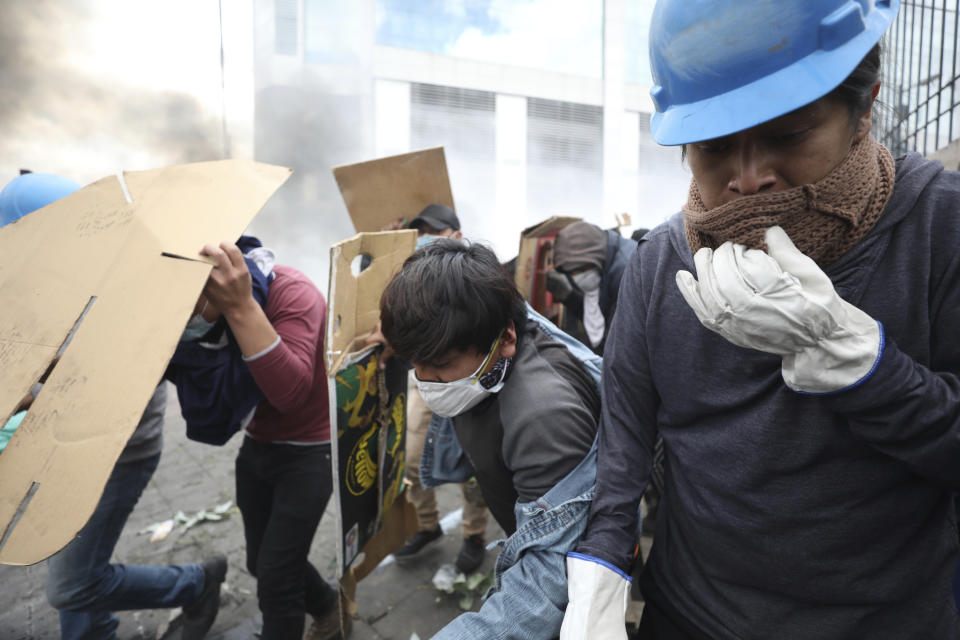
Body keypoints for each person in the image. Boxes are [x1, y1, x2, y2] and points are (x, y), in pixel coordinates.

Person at [562, 0, 960, 638]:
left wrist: (871, 370)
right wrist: (601, 567)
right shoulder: (660, 264)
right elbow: (625, 444)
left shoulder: (939, 229)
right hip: (693, 617)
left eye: (788, 134)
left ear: (863, 109)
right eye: (715, 148)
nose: (749, 179)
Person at [0, 172, 226, 640]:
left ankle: (197, 583)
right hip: (63, 445)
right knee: (77, 571)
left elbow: (113, 389)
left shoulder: (120, 284)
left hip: (114, 454)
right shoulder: (51, 281)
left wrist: (31, 392)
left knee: (71, 586)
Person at [378, 240, 604, 639]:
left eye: (441, 365)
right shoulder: (486, 322)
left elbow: (550, 581)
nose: (427, 382)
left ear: (506, 340)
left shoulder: (542, 420)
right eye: (415, 365)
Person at [188, 239, 347, 640]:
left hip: (312, 449)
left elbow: (290, 394)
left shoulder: (292, 292)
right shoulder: (198, 321)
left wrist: (240, 307)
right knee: (261, 562)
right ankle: (330, 607)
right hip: (259, 445)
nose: (188, 315)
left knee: (277, 577)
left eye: (194, 301)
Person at [389, 203, 491, 575]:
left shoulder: (476, 275)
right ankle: (427, 525)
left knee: (475, 468)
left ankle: (474, 535)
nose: (425, 239)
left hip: (467, 382)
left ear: (457, 236)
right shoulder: (409, 274)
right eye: (420, 233)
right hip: (424, 381)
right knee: (410, 459)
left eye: (435, 231)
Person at [548, 221, 637, 355]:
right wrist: (570, 297)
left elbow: (616, 346)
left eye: (579, 270)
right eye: (571, 274)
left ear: (593, 257)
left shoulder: (626, 273)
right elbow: (602, 313)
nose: (576, 277)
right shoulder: (605, 262)